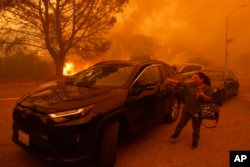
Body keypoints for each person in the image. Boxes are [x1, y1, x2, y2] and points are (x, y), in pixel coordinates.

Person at [166, 72, 212, 149]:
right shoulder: (191, 85)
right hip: (187, 109)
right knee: (181, 123)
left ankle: (195, 141)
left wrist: (203, 95)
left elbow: (210, 99)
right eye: (194, 78)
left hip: (197, 112)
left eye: (196, 78)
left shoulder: (207, 88)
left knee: (196, 128)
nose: (194, 80)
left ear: (202, 79)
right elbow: (181, 83)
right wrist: (170, 80)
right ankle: (176, 134)